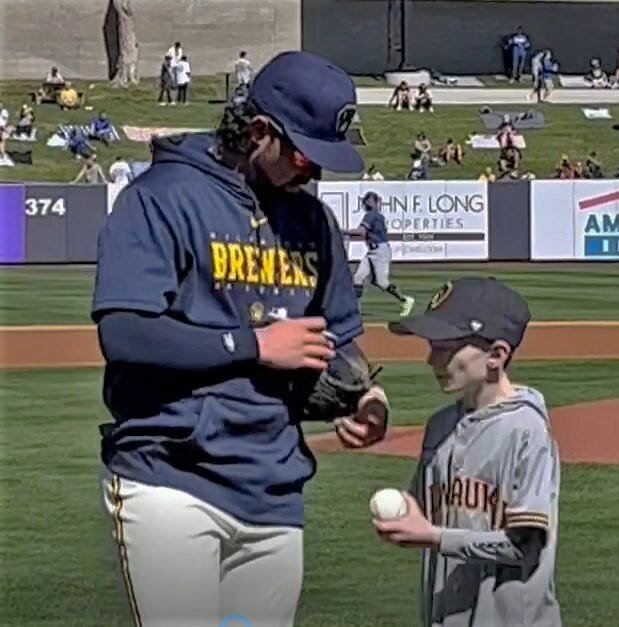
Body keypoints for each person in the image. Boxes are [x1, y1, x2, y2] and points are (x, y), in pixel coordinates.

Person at [92, 50, 390, 627]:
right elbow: (124, 332)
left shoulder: (312, 222)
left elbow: (342, 339)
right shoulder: (163, 198)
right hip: (171, 476)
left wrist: (366, 397)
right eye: (305, 155)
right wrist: (254, 346)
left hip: (274, 487)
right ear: (258, 132)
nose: (315, 173)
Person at [374, 276, 563, 627]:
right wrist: (403, 515)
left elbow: (526, 545)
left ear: (496, 355)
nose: (432, 359)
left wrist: (436, 538)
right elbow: (424, 510)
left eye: (446, 347)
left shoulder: (526, 429)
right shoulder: (440, 426)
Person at [343, 190, 415, 317]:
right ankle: (356, 310)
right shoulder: (375, 215)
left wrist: (344, 231)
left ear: (375, 202)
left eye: (369, 200)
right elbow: (364, 233)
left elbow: (361, 232)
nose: (367, 203)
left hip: (379, 251)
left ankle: (405, 300)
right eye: (366, 200)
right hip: (372, 251)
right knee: (358, 278)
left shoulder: (372, 215)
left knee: (382, 283)